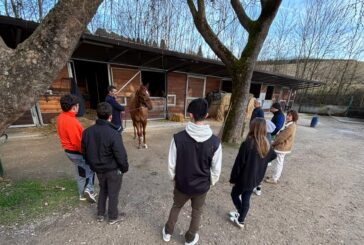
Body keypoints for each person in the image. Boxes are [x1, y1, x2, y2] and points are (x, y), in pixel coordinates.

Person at [162, 98, 222, 245]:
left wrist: (174, 178)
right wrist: (211, 182)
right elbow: (216, 168)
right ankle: (190, 238)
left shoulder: (178, 138)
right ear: (206, 115)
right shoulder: (215, 142)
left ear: (190, 115)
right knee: (197, 211)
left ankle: (168, 232)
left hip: (182, 183)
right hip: (201, 186)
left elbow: (171, 164)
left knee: (176, 206)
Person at [82, 102, 129, 224]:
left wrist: (92, 165)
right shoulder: (114, 133)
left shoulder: (87, 132)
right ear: (110, 116)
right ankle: (113, 217)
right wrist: (124, 168)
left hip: (98, 169)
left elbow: (84, 152)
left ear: (97, 115)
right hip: (112, 169)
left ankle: (100, 213)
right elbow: (121, 154)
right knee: (113, 192)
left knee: (103, 189)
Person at [229, 118, 277, 228]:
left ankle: (241, 217)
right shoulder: (266, 143)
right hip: (256, 178)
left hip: (244, 179)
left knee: (235, 194)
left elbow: (238, 164)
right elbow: (273, 156)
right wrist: (262, 162)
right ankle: (241, 217)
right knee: (246, 197)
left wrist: (233, 179)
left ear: (253, 128)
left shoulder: (247, 144)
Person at [56, 94, 96, 202]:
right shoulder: (72, 122)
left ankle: (84, 192)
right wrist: (87, 153)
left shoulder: (61, 117)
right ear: (74, 107)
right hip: (76, 151)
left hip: (69, 150)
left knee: (81, 171)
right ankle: (87, 191)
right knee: (89, 170)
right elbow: (77, 143)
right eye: (78, 106)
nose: (78, 108)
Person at [265, 110, 299, 184]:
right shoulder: (290, 124)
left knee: (279, 162)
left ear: (293, 117)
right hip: (282, 146)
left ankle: (275, 179)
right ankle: (275, 177)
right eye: (288, 115)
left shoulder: (291, 126)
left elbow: (282, 138)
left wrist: (273, 143)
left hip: (282, 147)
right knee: (279, 162)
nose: (287, 116)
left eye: (290, 115)